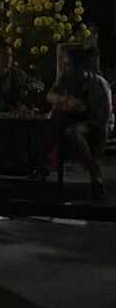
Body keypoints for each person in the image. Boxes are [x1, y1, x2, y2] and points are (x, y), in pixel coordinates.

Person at [48, 44, 110, 199]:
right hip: (74, 121)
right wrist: (65, 101)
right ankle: (38, 166)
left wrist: (100, 151)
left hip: (94, 123)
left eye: (68, 64)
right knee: (51, 123)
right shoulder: (67, 80)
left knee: (73, 131)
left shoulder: (97, 85)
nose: (65, 68)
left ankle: (95, 175)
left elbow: (103, 122)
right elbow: (51, 95)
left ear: (79, 66)